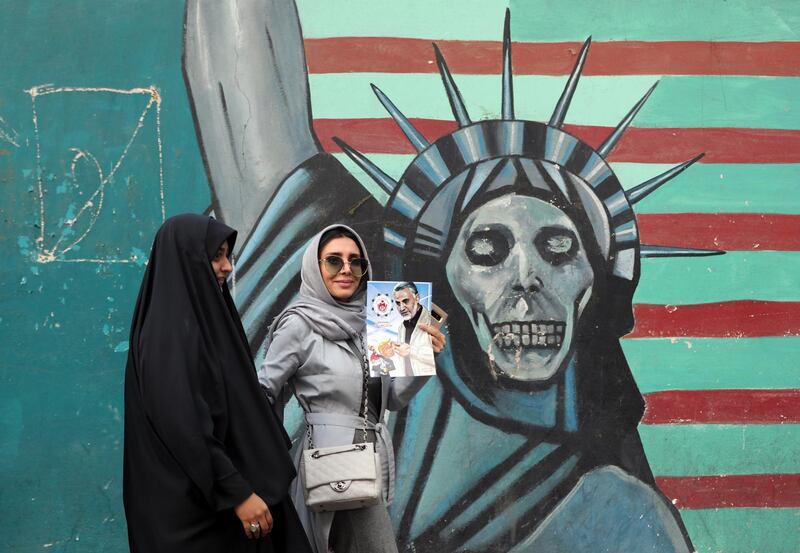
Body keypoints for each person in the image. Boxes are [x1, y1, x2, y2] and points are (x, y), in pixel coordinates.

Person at [123, 213, 312, 553]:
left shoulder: (199, 326)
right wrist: (237, 493)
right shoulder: (170, 336)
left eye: (227, 255)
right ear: (186, 259)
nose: (227, 267)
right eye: (216, 255)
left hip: (224, 510)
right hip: (199, 519)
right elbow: (183, 426)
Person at [257, 225, 446, 553]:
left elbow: (392, 399)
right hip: (329, 464)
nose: (346, 269)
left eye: (355, 262)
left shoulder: (372, 326)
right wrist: (264, 462)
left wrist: (421, 355)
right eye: (333, 261)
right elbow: (262, 391)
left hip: (365, 463)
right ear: (315, 267)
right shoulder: (299, 324)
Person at [392, 282, 436, 376]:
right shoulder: (401, 327)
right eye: (398, 303)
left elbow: (444, 356)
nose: (401, 308)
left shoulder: (433, 321)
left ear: (417, 298)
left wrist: (410, 351)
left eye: (405, 301)